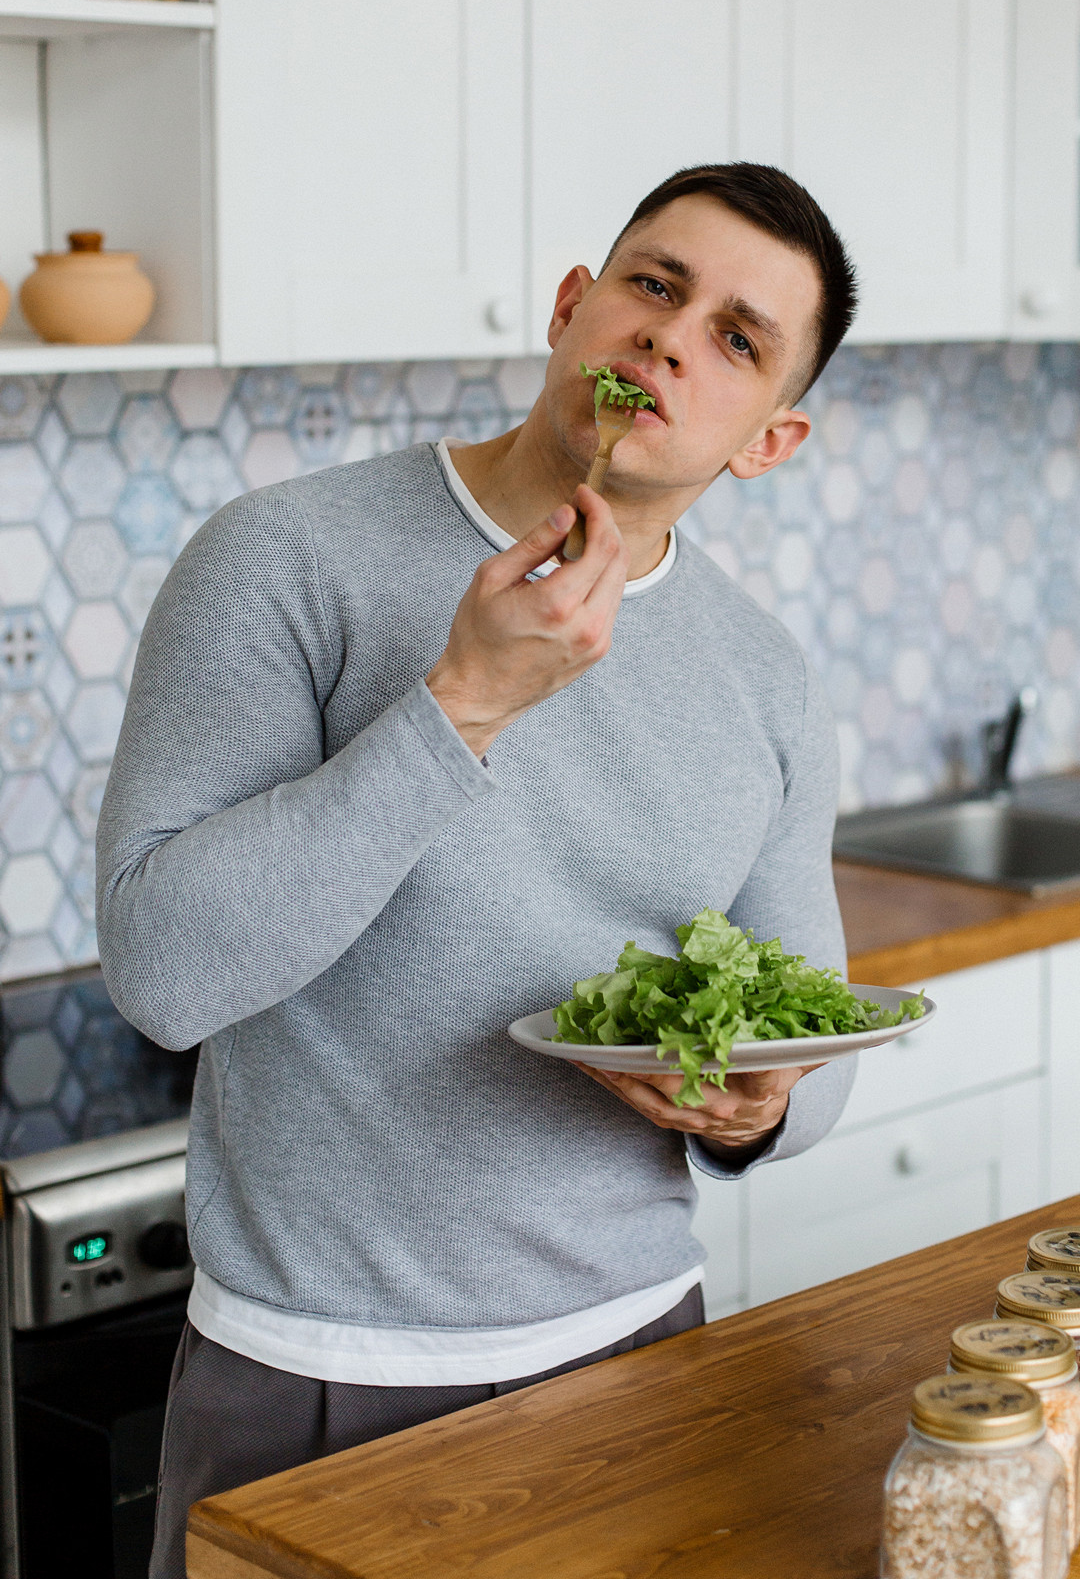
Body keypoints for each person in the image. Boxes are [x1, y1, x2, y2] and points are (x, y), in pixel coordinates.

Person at [96, 161, 858, 1579]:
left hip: (639, 1361)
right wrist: (462, 705)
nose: (672, 341)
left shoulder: (764, 677)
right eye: (653, 287)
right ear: (575, 309)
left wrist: (751, 1108)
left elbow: (820, 1045)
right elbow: (160, 974)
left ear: (769, 439)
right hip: (313, 1377)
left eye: (737, 341)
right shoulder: (282, 562)